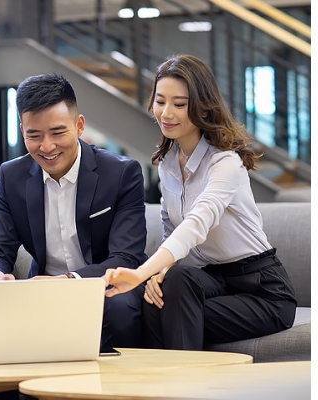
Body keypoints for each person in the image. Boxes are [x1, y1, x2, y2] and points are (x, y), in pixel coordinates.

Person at [103, 54, 297, 350]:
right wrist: (160, 273)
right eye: (160, 101)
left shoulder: (225, 162)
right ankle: (162, 387)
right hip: (212, 281)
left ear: (202, 105)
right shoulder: (167, 163)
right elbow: (172, 231)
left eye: (179, 104)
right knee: (167, 287)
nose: (166, 113)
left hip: (262, 289)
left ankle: (178, 389)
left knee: (166, 311)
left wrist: (142, 273)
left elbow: (196, 224)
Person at [0, 73, 148, 353]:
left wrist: (67, 282)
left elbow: (126, 257)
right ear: (22, 131)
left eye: (58, 133)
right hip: (39, 290)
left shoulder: (120, 173)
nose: (47, 147)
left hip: (103, 287)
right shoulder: (12, 177)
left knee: (121, 307)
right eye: (35, 135)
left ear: (79, 126)